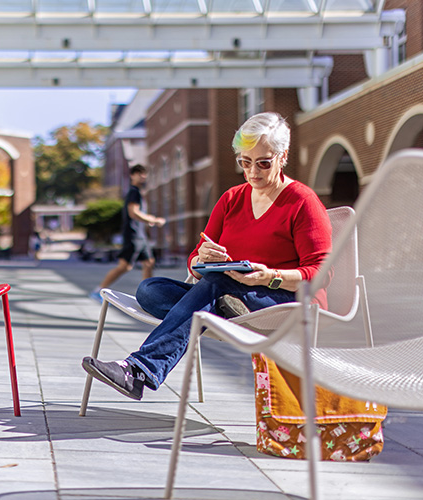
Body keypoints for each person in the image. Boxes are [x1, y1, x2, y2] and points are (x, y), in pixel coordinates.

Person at [82, 112, 386, 460]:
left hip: (286, 299)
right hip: (232, 290)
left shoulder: (302, 201)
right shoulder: (232, 199)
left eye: (263, 163)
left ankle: (140, 370)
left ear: (283, 157)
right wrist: (200, 260)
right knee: (151, 290)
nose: (253, 172)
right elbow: (197, 256)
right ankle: (225, 308)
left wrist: (267, 275)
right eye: (245, 163)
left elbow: (321, 271)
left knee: (216, 285)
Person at [89, 164, 166, 302]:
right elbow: (133, 212)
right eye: (139, 173)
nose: (142, 176)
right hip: (133, 235)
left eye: (144, 173)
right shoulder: (134, 192)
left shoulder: (139, 193)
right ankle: (98, 291)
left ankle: (147, 295)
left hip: (140, 235)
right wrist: (153, 220)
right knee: (125, 266)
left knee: (149, 262)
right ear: (132, 176)